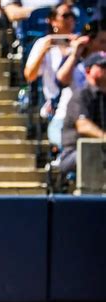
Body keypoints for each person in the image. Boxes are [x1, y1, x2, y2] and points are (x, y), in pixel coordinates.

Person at [23, 2, 77, 146]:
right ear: (52, 20)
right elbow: (30, 75)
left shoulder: (81, 43)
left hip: (82, 106)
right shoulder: (43, 43)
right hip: (57, 108)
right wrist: (43, 50)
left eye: (72, 15)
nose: (70, 19)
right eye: (65, 15)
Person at [60, 51, 106, 175]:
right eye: (102, 66)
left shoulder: (103, 96)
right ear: (88, 70)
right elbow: (83, 125)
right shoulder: (81, 94)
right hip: (73, 153)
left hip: (101, 150)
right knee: (92, 153)